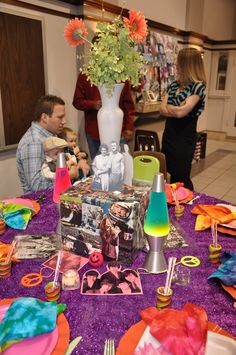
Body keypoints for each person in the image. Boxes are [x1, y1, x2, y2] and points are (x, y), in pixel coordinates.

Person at [160, 48, 206, 190]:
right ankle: (172, 207)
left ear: (187, 65)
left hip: (184, 140)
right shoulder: (174, 84)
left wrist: (172, 108)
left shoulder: (198, 87)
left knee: (181, 178)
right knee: (168, 177)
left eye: (179, 63)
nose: (176, 65)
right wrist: (177, 108)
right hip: (169, 137)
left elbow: (181, 113)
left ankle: (185, 208)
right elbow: (162, 109)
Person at [16, 95, 78, 193]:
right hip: (43, 203)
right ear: (44, 117)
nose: (64, 121)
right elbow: (37, 186)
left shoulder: (51, 135)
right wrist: (69, 175)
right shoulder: (33, 143)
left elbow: (67, 158)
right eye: (60, 117)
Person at [72, 72, 135, 159]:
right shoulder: (86, 74)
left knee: (118, 166)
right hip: (94, 131)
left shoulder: (121, 73)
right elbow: (77, 101)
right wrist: (93, 104)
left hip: (119, 130)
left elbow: (128, 104)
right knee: (99, 167)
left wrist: (129, 126)